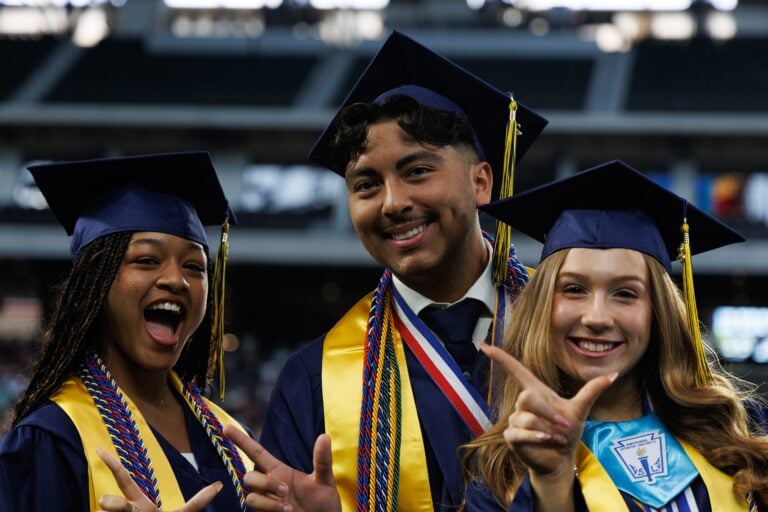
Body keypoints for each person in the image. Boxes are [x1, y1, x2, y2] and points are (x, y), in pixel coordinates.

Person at [250, 30, 547, 512]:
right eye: (366, 184)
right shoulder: (314, 379)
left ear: (481, 182)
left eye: (417, 172)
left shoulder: (566, 326)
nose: (393, 204)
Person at [460, 160, 768, 511]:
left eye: (625, 293)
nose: (596, 317)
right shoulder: (502, 477)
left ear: (658, 313)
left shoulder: (741, 430)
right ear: (543, 305)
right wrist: (552, 482)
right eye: (574, 289)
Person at [0, 152, 258, 512]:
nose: (176, 280)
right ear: (95, 283)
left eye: (194, 266)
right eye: (147, 260)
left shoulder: (232, 439)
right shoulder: (54, 438)